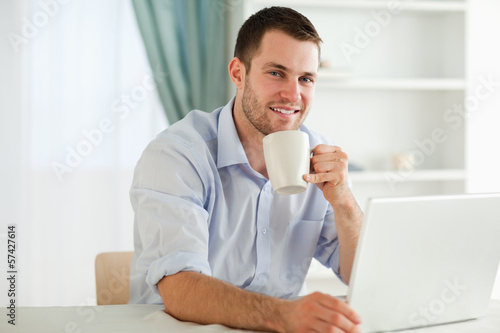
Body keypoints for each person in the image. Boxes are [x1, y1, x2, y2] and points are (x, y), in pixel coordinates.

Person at [129, 6, 364, 333]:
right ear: (238, 74)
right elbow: (180, 288)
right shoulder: (178, 155)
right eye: (276, 73)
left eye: (305, 78)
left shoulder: (318, 157)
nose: (293, 95)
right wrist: (284, 315)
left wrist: (344, 203)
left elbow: (363, 276)